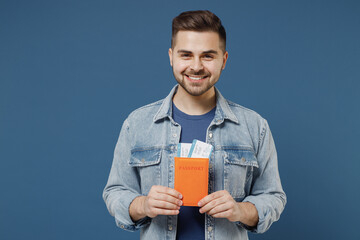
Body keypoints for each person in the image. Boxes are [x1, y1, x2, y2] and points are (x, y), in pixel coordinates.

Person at [103, 10, 286, 240]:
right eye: (186, 55)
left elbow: (273, 196)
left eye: (208, 56)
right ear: (171, 57)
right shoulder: (137, 124)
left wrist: (240, 210)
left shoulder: (254, 126)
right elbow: (115, 193)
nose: (196, 66)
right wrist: (144, 205)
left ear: (224, 60)